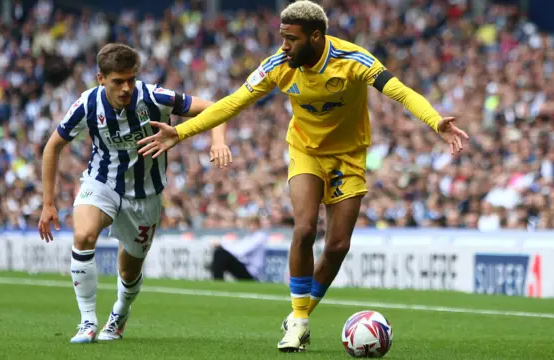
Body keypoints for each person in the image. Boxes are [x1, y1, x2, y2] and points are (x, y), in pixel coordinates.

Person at [138, 0, 469, 352]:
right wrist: (181, 132)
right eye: (282, 37)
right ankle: (298, 321)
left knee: (339, 245)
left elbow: (399, 91)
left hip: (349, 156)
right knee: (305, 228)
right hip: (305, 152)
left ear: (315, 36)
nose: (283, 46)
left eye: (291, 39)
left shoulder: (353, 60)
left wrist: (436, 121)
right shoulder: (278, 65)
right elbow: (232, 102)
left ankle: (302, 312)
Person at [37, 43, 231, 344]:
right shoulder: (87, 104)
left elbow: (216, 107)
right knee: (83, 235)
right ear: (101, 78)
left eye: (130, 79)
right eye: (118, 81)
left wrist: (217, 141)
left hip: (145, 195)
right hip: (101, 183)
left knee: (128, 270)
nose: (126, 88)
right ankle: (87, 321)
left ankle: (120, 312)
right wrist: (48, 203)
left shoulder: (154, 97)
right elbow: (52, 147)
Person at [211, 217, 268, 281]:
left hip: (252, 273)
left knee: (220, 254)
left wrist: (222, 244)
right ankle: (217, 280)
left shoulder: (260, 237)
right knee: (219, 253)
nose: (250, 227)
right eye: (249, 224)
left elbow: (240, 251)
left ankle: (218, 282)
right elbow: (237, 247)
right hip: (246, 268)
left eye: (253, 224)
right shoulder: (249, 236)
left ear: (258, 225)